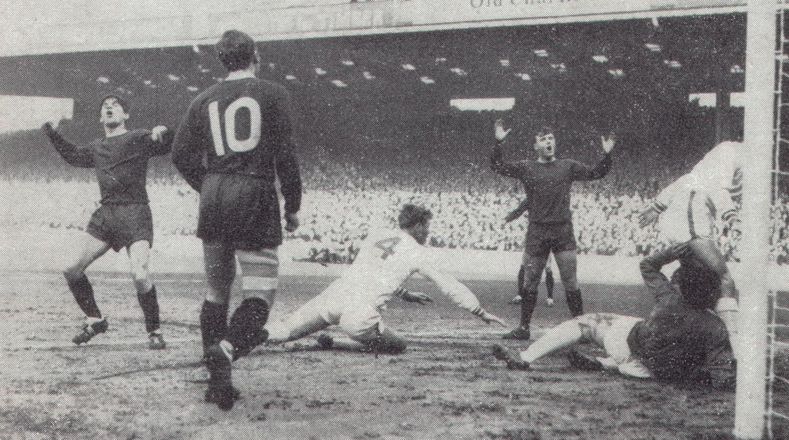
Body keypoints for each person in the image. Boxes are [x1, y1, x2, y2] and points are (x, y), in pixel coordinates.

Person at [171, 29, 302, 411]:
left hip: (213, 196)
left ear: (222, 60)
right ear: (255, 56)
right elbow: (286, 156)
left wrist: (209, 185)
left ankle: (218, 385)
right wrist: (292, 205)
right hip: (255, 193)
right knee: (260, 295)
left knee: (216, 291)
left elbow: (180, 155)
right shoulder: (273, 93)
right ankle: (226, 349)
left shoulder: (202, 100)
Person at [265, 204, 507, 353]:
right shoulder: (417, 251)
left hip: (335, 295)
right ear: (420, 224)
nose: (429, 232)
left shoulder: (377, 234)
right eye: (428, 226)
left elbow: (374, 269)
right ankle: (339, 344)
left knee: (287, 329)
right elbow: (449, 286)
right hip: (359, 315)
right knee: (398, 345)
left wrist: (404, 293)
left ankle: (241, 340)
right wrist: (479, 311)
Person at [491, 247, 737, 390]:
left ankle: (526, 357)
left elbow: (648, 265)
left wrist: (675, 251)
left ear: (681, 287)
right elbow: (721, 377)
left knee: (588, 322)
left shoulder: (669, 298)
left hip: (627, 345)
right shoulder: (714, 327)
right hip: (656, 372)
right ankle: (605, 365)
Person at [41, 95, 172, 350]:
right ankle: (95, 319)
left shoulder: (137, 137)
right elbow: (72, 156)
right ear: (101, 117)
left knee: (140, 273)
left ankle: (154, 330)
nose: (109, 107)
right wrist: (51, 132)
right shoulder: (96, 147)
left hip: (135, 212)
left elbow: (165, 144)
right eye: (105, 106)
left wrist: (165, 131)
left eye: (116, 105)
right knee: (71, 268)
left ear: (126, 115)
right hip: (107, 214)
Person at [491, 120, 615, 340]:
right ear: (536, 146)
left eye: (551, 138)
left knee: (570, 281)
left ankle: (583, 330)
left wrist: (606, 155)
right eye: (543, 139)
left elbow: (596, 173)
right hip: (537, 231)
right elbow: (497, 166)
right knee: (530, 280)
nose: (549, 142)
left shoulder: (568, 166)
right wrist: (499, 143)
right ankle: (523, 328)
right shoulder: (526, 167)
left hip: (562, 231)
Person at [638, 141, 742, 352]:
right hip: (692, 221)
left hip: (678, 219)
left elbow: (679, 183)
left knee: (696, 279)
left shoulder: (699, 170)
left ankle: (684, 335)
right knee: (724, 279)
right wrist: (732, 218)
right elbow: (720, 190)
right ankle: (734, 346)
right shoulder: (732, 156)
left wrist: (655, 207)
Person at [505, 199, 554, 307]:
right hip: (533, 238)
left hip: (545, 238)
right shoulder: (533, 200)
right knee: (524, 265)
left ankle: (550, 297)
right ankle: (520, 294)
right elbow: (521, 209)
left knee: (547, 268)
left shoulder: (548, 203)